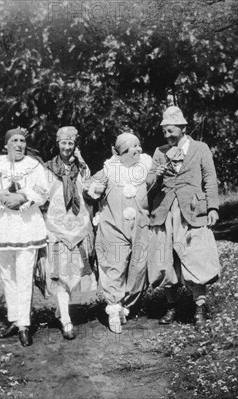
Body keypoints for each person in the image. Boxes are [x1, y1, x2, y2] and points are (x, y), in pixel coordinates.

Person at [146, 106, 221, 329]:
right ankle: (172, 307)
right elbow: (149, 184)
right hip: (166, 212)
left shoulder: (200, 148)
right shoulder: (159, 152)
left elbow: (210, 178)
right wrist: (156, 176)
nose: (167, 136)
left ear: (183, 128)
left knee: (196, 256)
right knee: (167, 260)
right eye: (164, 132)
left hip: (193, 212)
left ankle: (199, 307)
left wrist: (213, 208)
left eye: (171, 131)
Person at [0, 127, 49, 347]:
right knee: (8, 275)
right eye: (15, 140)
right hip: (2, 226)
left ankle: (25, 326)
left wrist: (22, 197)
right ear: (6, 144)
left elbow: (43, 192)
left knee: (25, 275)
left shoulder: (34, 165)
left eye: (23, 141)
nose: (19, 144)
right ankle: (14, 319)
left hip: (26, 225)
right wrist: (0, 199)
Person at [35, 126, 97, 340]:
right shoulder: (48, 169)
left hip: (78, 226)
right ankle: (66, 321)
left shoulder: (81, 167)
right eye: (64, 143)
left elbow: (88, 190)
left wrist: (81, 162)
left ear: (75, 145)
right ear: (57, 143)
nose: (67, 147)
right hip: (57, 226)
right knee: (59, 271)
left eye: (71, 143)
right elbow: (41, 196)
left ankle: (62, 311)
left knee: (73, 271)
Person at [86, 131, 151, 334]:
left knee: (139, 268)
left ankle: (127, 305)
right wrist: (94, 189)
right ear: (122, 152)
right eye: (133, 147)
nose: (138, 149)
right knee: (114, 265)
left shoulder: (147, 166)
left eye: (139, 145)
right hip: (113, 226)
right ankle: (113, 309)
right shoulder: (109, 169)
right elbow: (88, 186)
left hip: (140, 226)